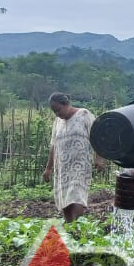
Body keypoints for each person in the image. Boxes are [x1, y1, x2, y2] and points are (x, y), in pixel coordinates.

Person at [43, 92, 104, 223]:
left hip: (79, 165)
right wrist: (48, 168)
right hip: (62, 167)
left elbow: (97, 136)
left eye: (58, 110)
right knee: (65, 197)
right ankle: (69, 225)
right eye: (54, 112)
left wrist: (99, 158)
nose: (57, 114)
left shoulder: (84, 115)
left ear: (67, 104)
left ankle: (76, 225)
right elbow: (53, 145)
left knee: (76, 195)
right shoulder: (57, 121)